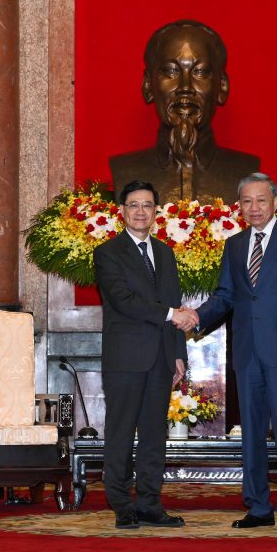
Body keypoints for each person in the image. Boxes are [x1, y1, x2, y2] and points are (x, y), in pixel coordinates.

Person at [173, 173, 277, 530]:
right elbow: (226, 296)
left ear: (274, 201)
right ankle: (257, 507)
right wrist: (196, 317)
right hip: (248, 353)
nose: (254, 208)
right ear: (239, 206)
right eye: (246, 202)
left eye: (261, 201)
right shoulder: (235, 245)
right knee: (251, 434)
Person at [94, 180, 196, 529]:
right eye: (134, 205)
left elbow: (174, 300)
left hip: (161, 358)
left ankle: (151, 503)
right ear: (122, 211)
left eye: (147, 205)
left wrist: (178, 353)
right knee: (121, 432)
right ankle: (122, 504)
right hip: (125, 357)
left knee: (155, 435)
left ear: (156, 212)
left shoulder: (165, 253)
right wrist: (172, 315)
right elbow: (125, 301)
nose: (141, 211)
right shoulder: (108, 252)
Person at [110, 20, 259, 204]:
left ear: (222, 87)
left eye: (200, 72)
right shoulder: (124, 169)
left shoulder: (245, 170)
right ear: (148, 85)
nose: (185, 87)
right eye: (171, 71)